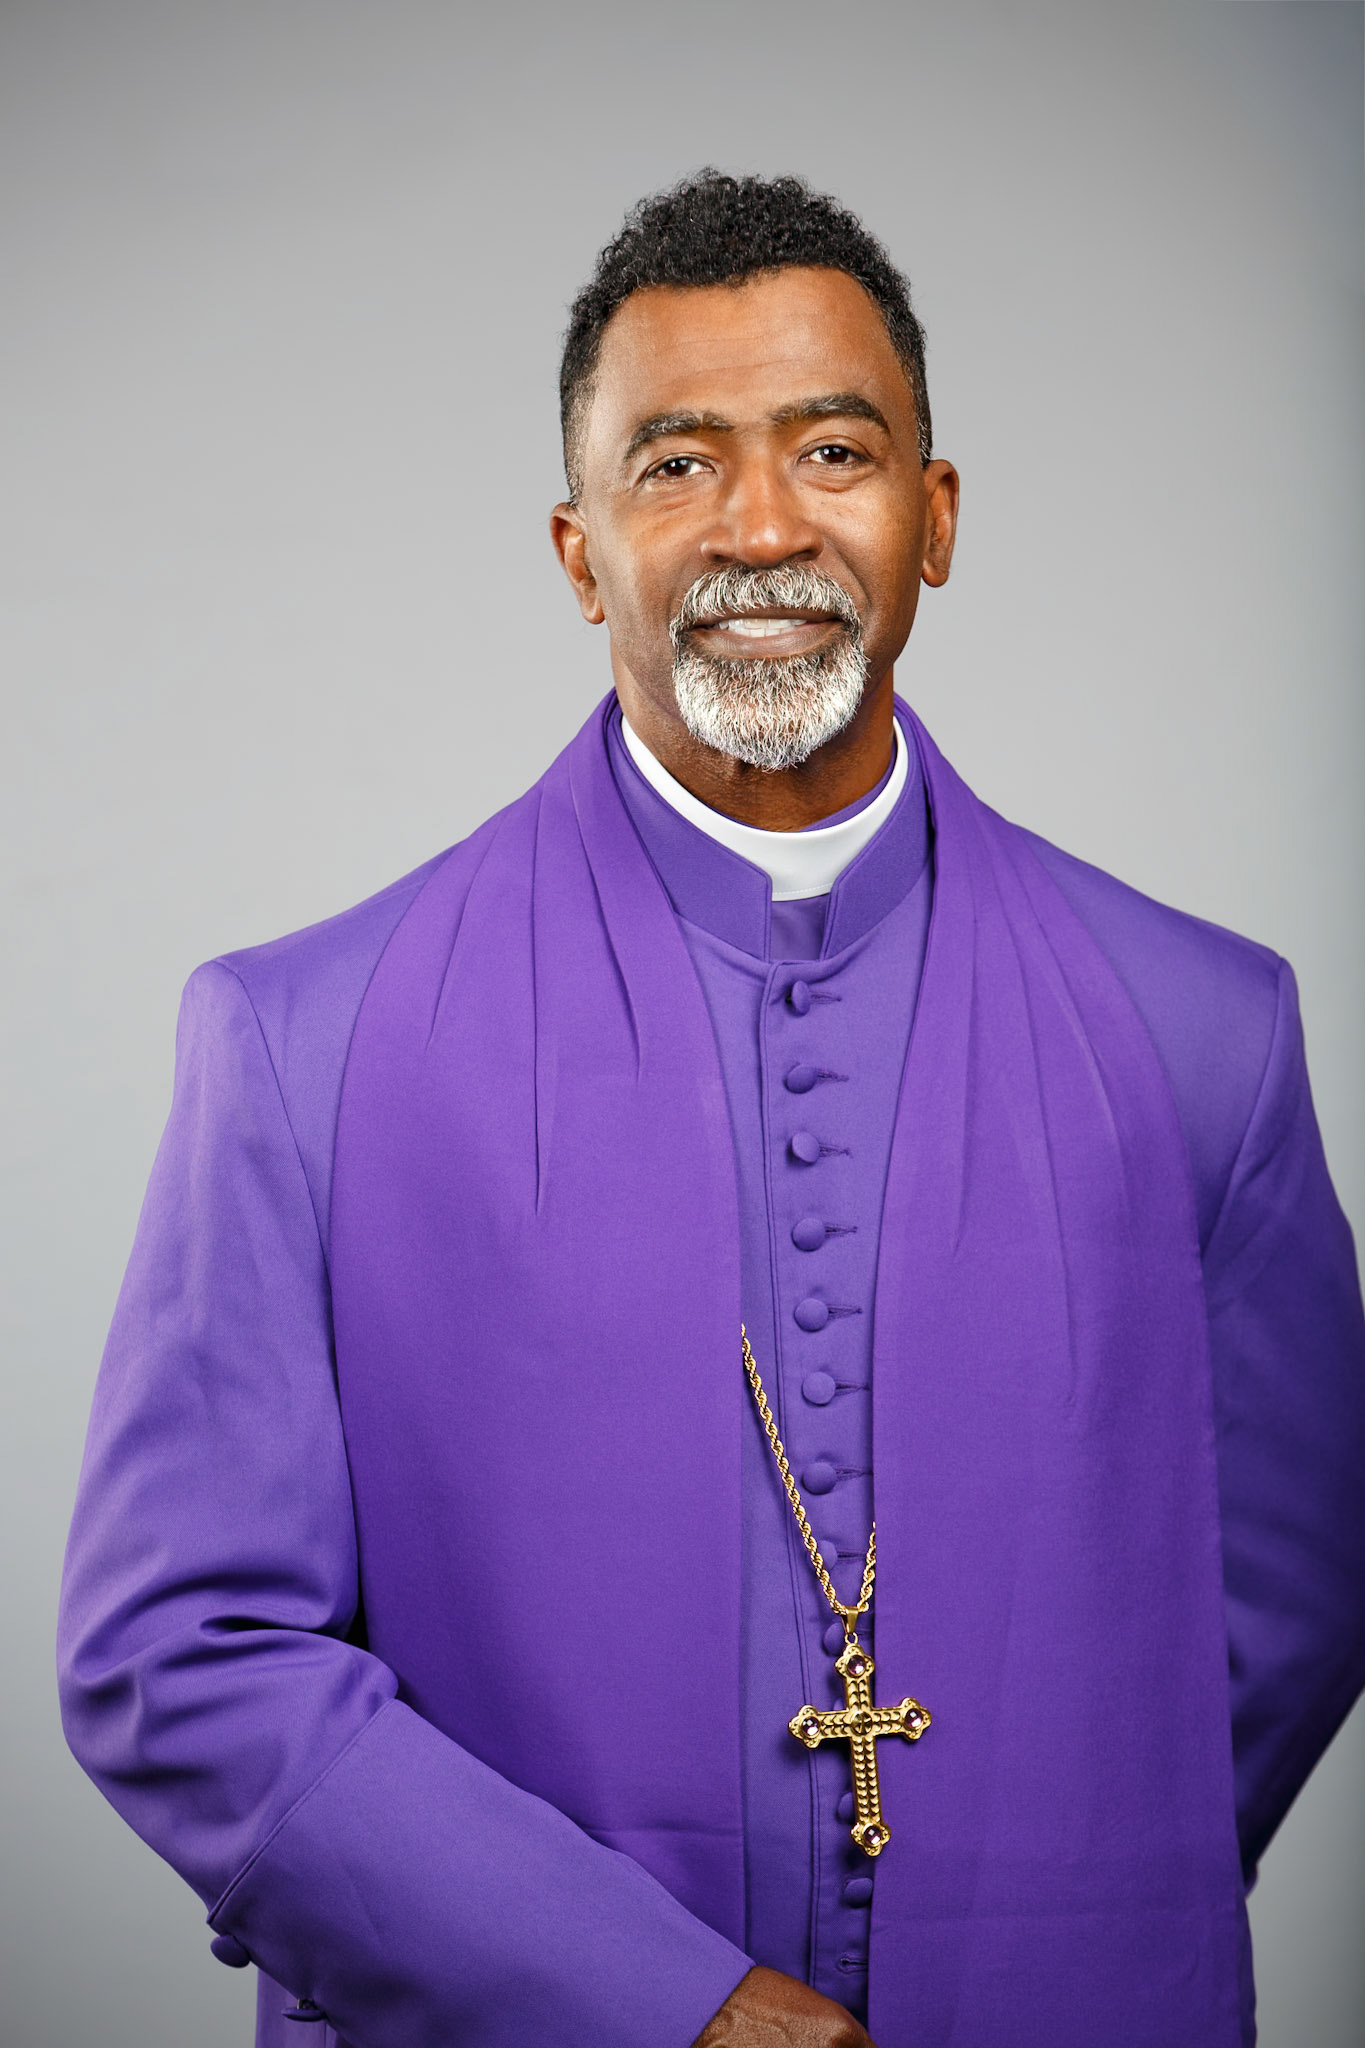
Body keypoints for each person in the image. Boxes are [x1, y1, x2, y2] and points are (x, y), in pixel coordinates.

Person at [58, 171, 1365, 2048]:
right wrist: (650, 2003)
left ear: (934, 517)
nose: (761, 526)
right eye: (674, 466)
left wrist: (1052, 1922)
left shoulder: (1205, 1031)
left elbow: (1290, 1601)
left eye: (834, 450)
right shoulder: (297, 1040)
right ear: (579, 550)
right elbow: (177, 1659)